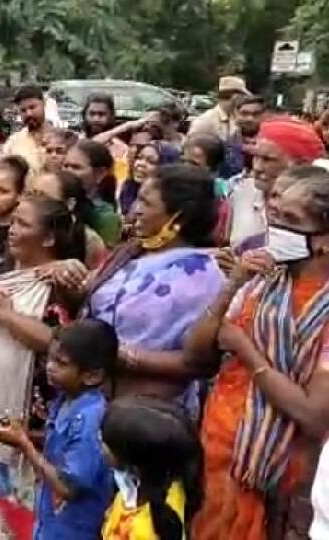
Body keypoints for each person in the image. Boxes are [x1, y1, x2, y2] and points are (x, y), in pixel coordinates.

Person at [185, 165, 329, 540]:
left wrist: (246, 350)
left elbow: (314, 415)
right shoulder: (263, 279)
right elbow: (197, 356)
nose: (276, 227)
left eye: (291, 220)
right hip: (218, 455)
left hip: (284, 475)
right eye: (276, 214)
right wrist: (232, 284)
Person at [51, 165, 223, 410]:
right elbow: (85, 301)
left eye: (146, 203)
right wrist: (66, 281)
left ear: (179, 217)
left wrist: (120, 357)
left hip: (144, 411)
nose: (134, 210)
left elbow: (199, 363)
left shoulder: (202, 275)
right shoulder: (129, 253)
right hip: (87, 399)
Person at [0, 194, 81, 540]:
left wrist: (6, 314)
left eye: (23, 224)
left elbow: (59, 343)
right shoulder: (0, 266)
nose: (13, 230)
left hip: (27, 410)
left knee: (20, 491)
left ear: (48, 238)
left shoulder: (61, 283)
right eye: (13, 222)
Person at [0, 319, 116, 540]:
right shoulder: (66, 399)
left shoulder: (89, 419)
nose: (49, 366)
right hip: (52, 522)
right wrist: (22, 435)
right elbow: (59, 442)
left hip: (74, 529)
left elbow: (68, 487)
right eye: (49, 358)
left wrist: (24, 444)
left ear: (92, 376)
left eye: (61, 363)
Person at [101, 396, 203, 540]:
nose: (100, 445)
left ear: (135, 465)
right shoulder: (167, 479)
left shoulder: (143, 531)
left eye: (105, 442)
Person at [223, 117, 325, 257]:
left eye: (268, 159)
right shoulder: (241, 192)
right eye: (255, 157)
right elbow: (228, 245)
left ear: (301, 165)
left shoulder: (319, 205)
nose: (257, 167)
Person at [32, 170, 106, 268]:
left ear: (69, 204)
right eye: (32, 194)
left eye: (43, 197)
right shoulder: (24, 229)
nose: (33, 202)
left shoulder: (90, 242)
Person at [63, 140, 122, 248]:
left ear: (100, 173)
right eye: (66, 166)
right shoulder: (59, 202)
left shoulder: (105, 217)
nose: (67, 172)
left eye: (76, 167)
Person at [119, 140, 180, 218]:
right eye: (139, 157)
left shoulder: (167, 206)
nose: (140, 163)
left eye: (151, 161)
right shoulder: (128, 189)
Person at [3, 85, 51, 177]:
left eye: (32, 107)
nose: (28, 113)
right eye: (23, 110)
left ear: (44, 103)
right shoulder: (13, 142)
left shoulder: (62, 138)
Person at [189, 76, 250, 142]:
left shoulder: (234, 117)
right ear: (235, 97)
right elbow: (191, 146)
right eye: (243, 95)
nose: (244, 99)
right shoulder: (205, 121)